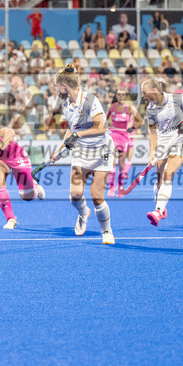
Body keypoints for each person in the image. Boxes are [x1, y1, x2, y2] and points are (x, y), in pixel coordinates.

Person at [45, 64, 115, 244]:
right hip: (82, 150)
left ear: (64, 86)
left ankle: (106, 232)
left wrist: (78, 135)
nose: (56, 90)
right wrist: (59, 151)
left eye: (57, 86)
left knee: (96, 195)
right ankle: (83, 213)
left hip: (102, 150)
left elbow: (100, 128)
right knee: (75, 195)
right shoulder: (67, 106)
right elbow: (72, 130)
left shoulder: (90, 99)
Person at [141, 78, 183, 226]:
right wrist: (152, 154)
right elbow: (153, 134)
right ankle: (160, 203)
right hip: (163, 142)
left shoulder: (177, 99)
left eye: (144, 92)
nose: (142, 95)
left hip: (179, 139)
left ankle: (157, 211)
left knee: (169, 173)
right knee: (160, 180)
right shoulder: (150, 109)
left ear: (154, 91)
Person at [105, 88, 140, 197]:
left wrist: (132, 127)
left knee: (121, 164)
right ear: (116, 95)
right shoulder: (111, 106)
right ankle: (111, 187)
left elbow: (139, 120)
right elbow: (105, 120)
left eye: (123, 94)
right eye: (119, 94)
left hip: (124, 136)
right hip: (113, 135)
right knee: (112, 161)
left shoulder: (129, 108)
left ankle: (120, 187)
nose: (121, 96)